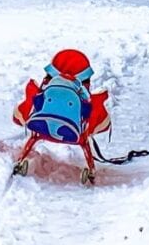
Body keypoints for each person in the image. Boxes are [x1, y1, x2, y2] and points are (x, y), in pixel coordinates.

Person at [12, 49, 111, 184]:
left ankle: (20, 162)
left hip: (42, 126)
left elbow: (36, 101)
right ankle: (89, 172)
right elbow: (88, 110)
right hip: (75, 131)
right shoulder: (81, 89)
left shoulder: (49, 84)